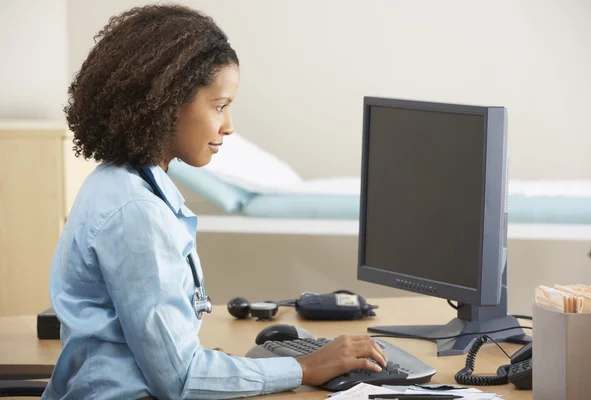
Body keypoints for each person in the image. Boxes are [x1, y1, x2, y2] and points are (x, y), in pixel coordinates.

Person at [43, 4, 387, 400]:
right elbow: (180, 380)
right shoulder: (137, 213)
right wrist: (305, 366)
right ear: (166, 102)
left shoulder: (115, 182)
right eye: (220, 106)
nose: (228, 125)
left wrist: (225, 366)